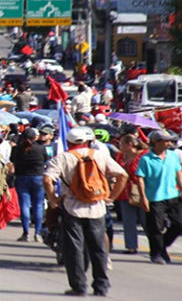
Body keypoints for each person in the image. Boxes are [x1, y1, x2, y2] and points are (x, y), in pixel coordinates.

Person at [43, 127, 127, 297]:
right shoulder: (100, 155)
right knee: (98, 248)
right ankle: (101, 286)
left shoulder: (63, 158)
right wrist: (111, 197)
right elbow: (122, 175)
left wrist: (53, 198)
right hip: (97, 207)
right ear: (87, 141)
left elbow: (47, 179)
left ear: (69, 142)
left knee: (74, 248)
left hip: (72, 208)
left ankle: (79, 286)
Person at [136, 130, 182, 264]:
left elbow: (179, 174)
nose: (169, 143)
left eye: (170, 141)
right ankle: (156, 253)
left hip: (173, 195)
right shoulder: (146, 159)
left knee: (179, 223)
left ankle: (162, 245)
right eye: (166, 141)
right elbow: (140, 179)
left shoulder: (173, 156)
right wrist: (143, 197)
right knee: (155, 227)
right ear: (156, 142)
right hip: (154, 197)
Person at [11, 127, 50, 242]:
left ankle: (26, 232)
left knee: (24, 205)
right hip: (38, 177)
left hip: (21, 177)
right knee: (38, 205)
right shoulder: (41, 148)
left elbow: (12, 160)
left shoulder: (17, 149)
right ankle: (37, 233)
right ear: (35, 138)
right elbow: (46, 160)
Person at [115, 134, 147, 254]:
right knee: (128, 221)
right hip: (125, 191)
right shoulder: (120, 156)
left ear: (130, 144)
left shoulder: (143, 155)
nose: (119, 146)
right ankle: (131, 246)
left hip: (141, 191)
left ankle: (156, 245)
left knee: (146, 220)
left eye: (121, 144)